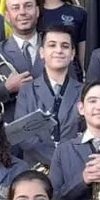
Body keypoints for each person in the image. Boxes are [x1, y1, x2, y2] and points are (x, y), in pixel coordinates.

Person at [13, 25, 83, 167]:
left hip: (75, 168)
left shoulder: (84, 92)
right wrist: (57, 159)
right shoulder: (27, 91)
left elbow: (89, 131)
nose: (58, 50)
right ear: (42, 53)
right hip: (36, 170)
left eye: (65, 46)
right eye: (52, 45)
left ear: (72, 54)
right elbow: (22, 136)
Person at [0, 0, 42, 122]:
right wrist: (6, 88)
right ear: (7, 16)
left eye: (28, 6)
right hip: (10, 135)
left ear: (37, 11)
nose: (22, 12)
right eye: (15, 8)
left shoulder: (56, 48)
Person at [32, 0, 88, 67]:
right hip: (38, 78)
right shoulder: (31, 14)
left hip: (72, 78)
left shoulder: (79, 13)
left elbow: (83, 58)